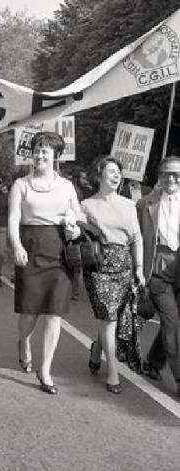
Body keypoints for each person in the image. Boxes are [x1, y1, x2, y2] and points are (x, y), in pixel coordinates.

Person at [8, 131, 84, 395]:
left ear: (56, 156)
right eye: (37, 150)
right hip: (30, 247)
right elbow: (13, 219)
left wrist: (75, 228)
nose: (40, 155)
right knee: (29, 311)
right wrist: (16, 246)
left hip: (59, 251)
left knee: (54, 313)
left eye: (45, 151)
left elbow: (80, 215)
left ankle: (45, 369)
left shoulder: (66, 186)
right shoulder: (21, 185)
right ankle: (24, 341)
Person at [81, 156, 145, 394]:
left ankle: (97, 348)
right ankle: (113, 372)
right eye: (111, 171)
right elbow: (77, 234)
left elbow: (137, 238)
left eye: (119, 172)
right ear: (99, 175)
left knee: (115, 318)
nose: (117, 175)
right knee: (108, 317)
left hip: (124, 267)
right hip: (98, 267)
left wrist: (139, 268)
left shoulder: (129, 204)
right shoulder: (86, 205)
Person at [138, 156, 180, 399]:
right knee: (172, 323)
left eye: (176, 174)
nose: (171, 178)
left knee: (171, 323)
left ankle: (153, 362)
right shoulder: (145, 203)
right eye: (166, 174)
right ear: (159, 176)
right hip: (158, 270)